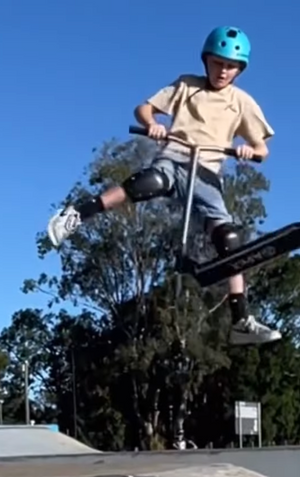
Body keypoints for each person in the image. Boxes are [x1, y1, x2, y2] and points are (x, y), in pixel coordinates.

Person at [46, 26, 280, 345]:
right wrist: (152, 124)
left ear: (239, 70)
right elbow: (143, 108)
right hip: (175, 158)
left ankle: (241, 321)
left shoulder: (242, 103)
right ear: (206, 61)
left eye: (230, 66)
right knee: (148, 182)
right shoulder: (187, 85)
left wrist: (248, 150)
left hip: (207, 176)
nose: (222, 71)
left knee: (230, 240)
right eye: (217, 63)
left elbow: (263, 150)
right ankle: (75, 214)